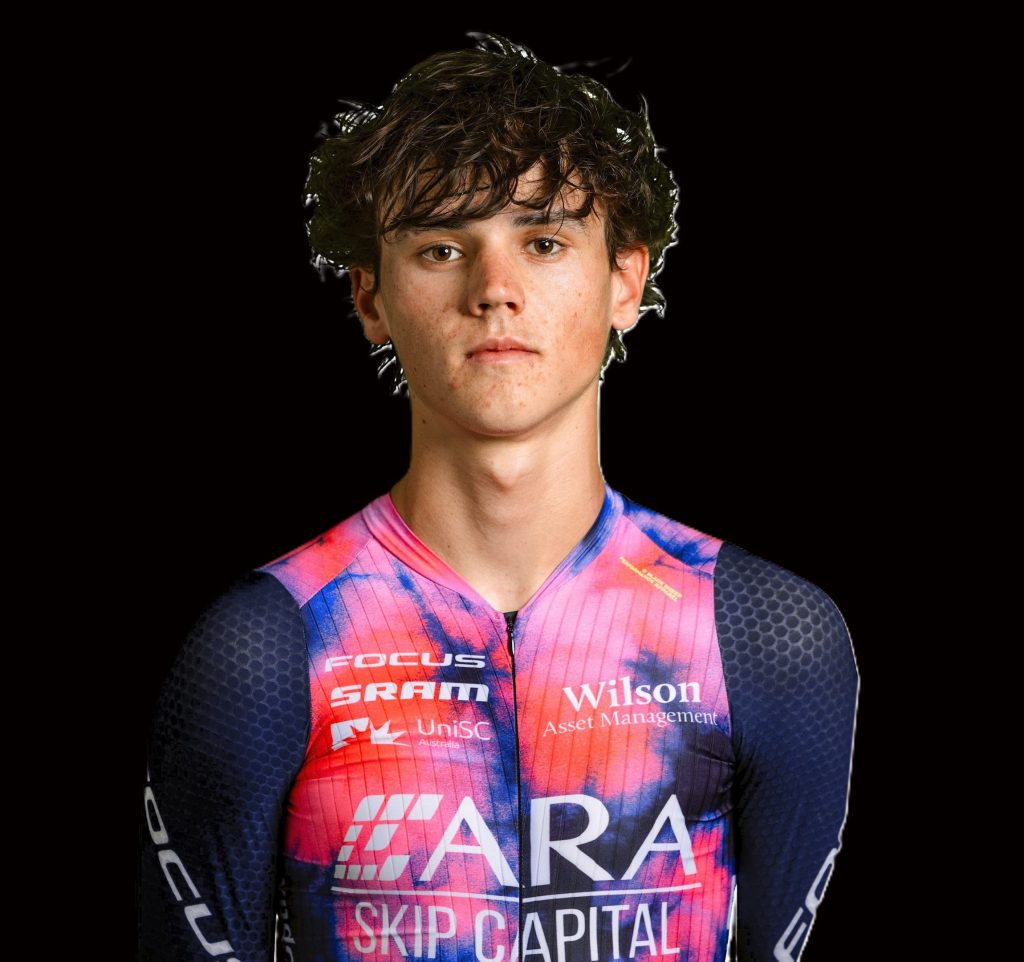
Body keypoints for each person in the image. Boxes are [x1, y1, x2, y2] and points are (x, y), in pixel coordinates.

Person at [137, 32, 859, 962]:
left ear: (626, 280)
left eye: (544, 242)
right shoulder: (266, 645)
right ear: (370, 298)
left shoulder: (764, 635)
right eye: (442, 247)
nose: (495, 290)